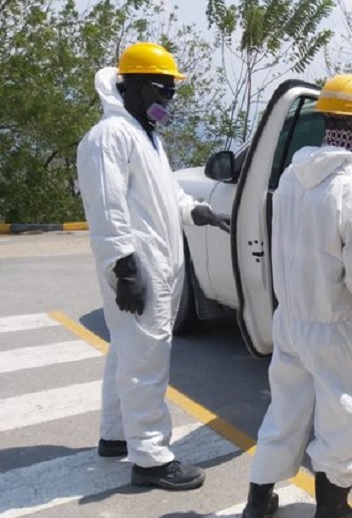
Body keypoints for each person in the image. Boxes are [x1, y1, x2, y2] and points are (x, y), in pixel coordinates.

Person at [241, 74, 352, 518]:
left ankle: (258, 502)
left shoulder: (292, 178)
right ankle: (333, 510)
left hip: (291, 321)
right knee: (341, 418)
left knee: (285, 411)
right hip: (336, 329)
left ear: (328, 122)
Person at [76, 42, 230, 491]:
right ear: (138, 87)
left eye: (172, 90)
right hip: (137, 267)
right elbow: (107, 210)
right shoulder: (109, 137)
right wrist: (124, 269)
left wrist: (196, 211)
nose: (169, 99)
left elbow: (165, 195)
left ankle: (116, 434)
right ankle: (151, 457)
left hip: (154, 266)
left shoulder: (146, 136)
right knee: (147, 358)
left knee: (127, 352)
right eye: (164, 90)